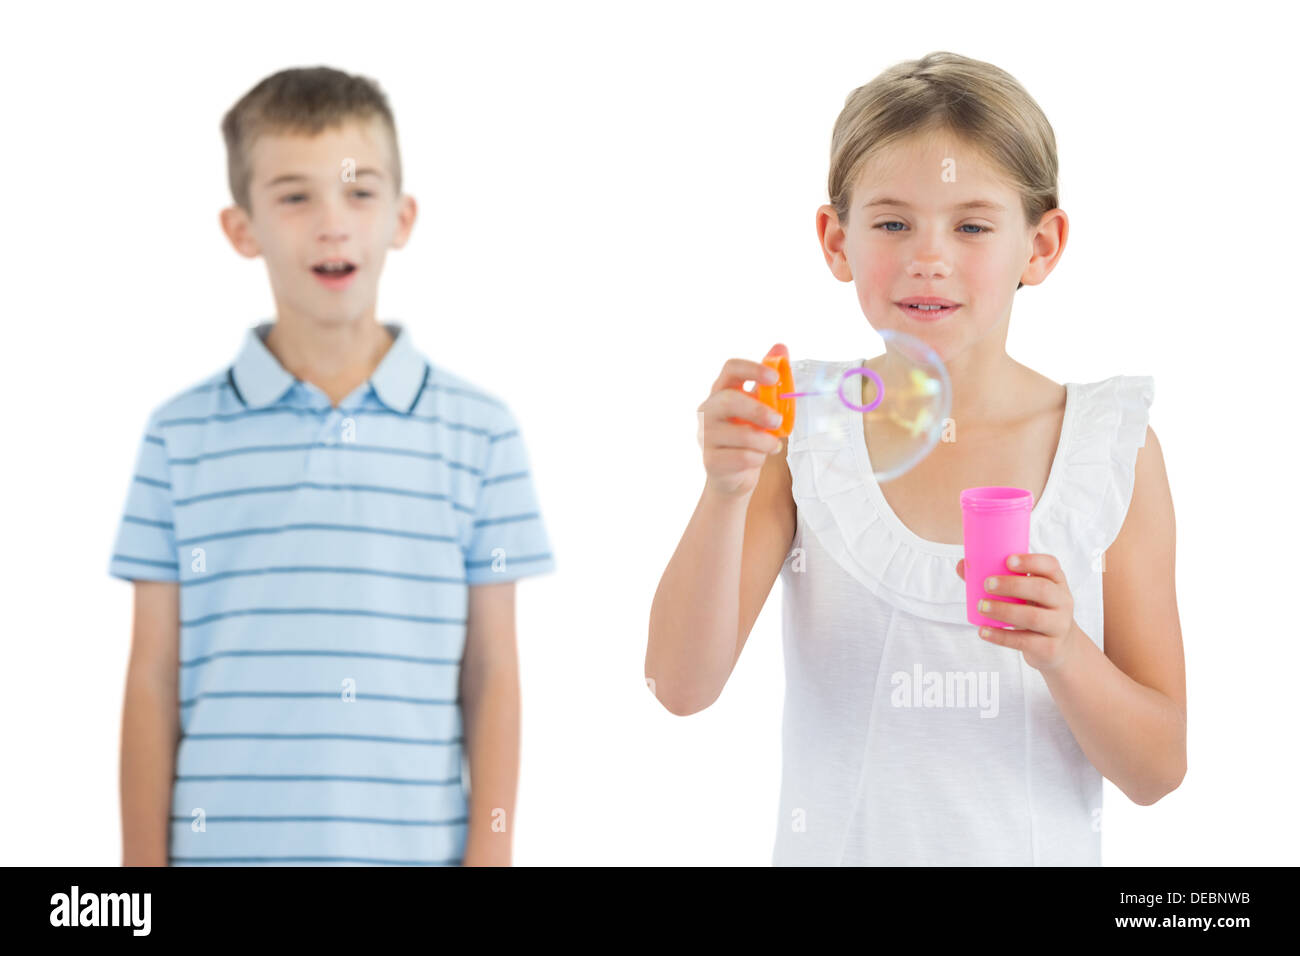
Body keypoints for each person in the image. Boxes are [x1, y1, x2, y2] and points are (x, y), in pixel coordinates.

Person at [646, 51, 1185, 865]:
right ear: (837, 240)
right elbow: (680, 689)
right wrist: (725, 490)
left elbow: (1158, 769)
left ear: (1041, 246)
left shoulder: (1109, 447)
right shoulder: (802, 430)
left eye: (971, 225)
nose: (928, 257)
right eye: (893, 222)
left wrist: (1065, 651)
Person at [109, 66, 555, 866]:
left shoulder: (481, 434)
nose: (332, 225)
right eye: (293, 196)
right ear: (241, 228)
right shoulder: (177, 437)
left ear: (402, 216)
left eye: (358, 192)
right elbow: (151, 676)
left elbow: (493, 673)